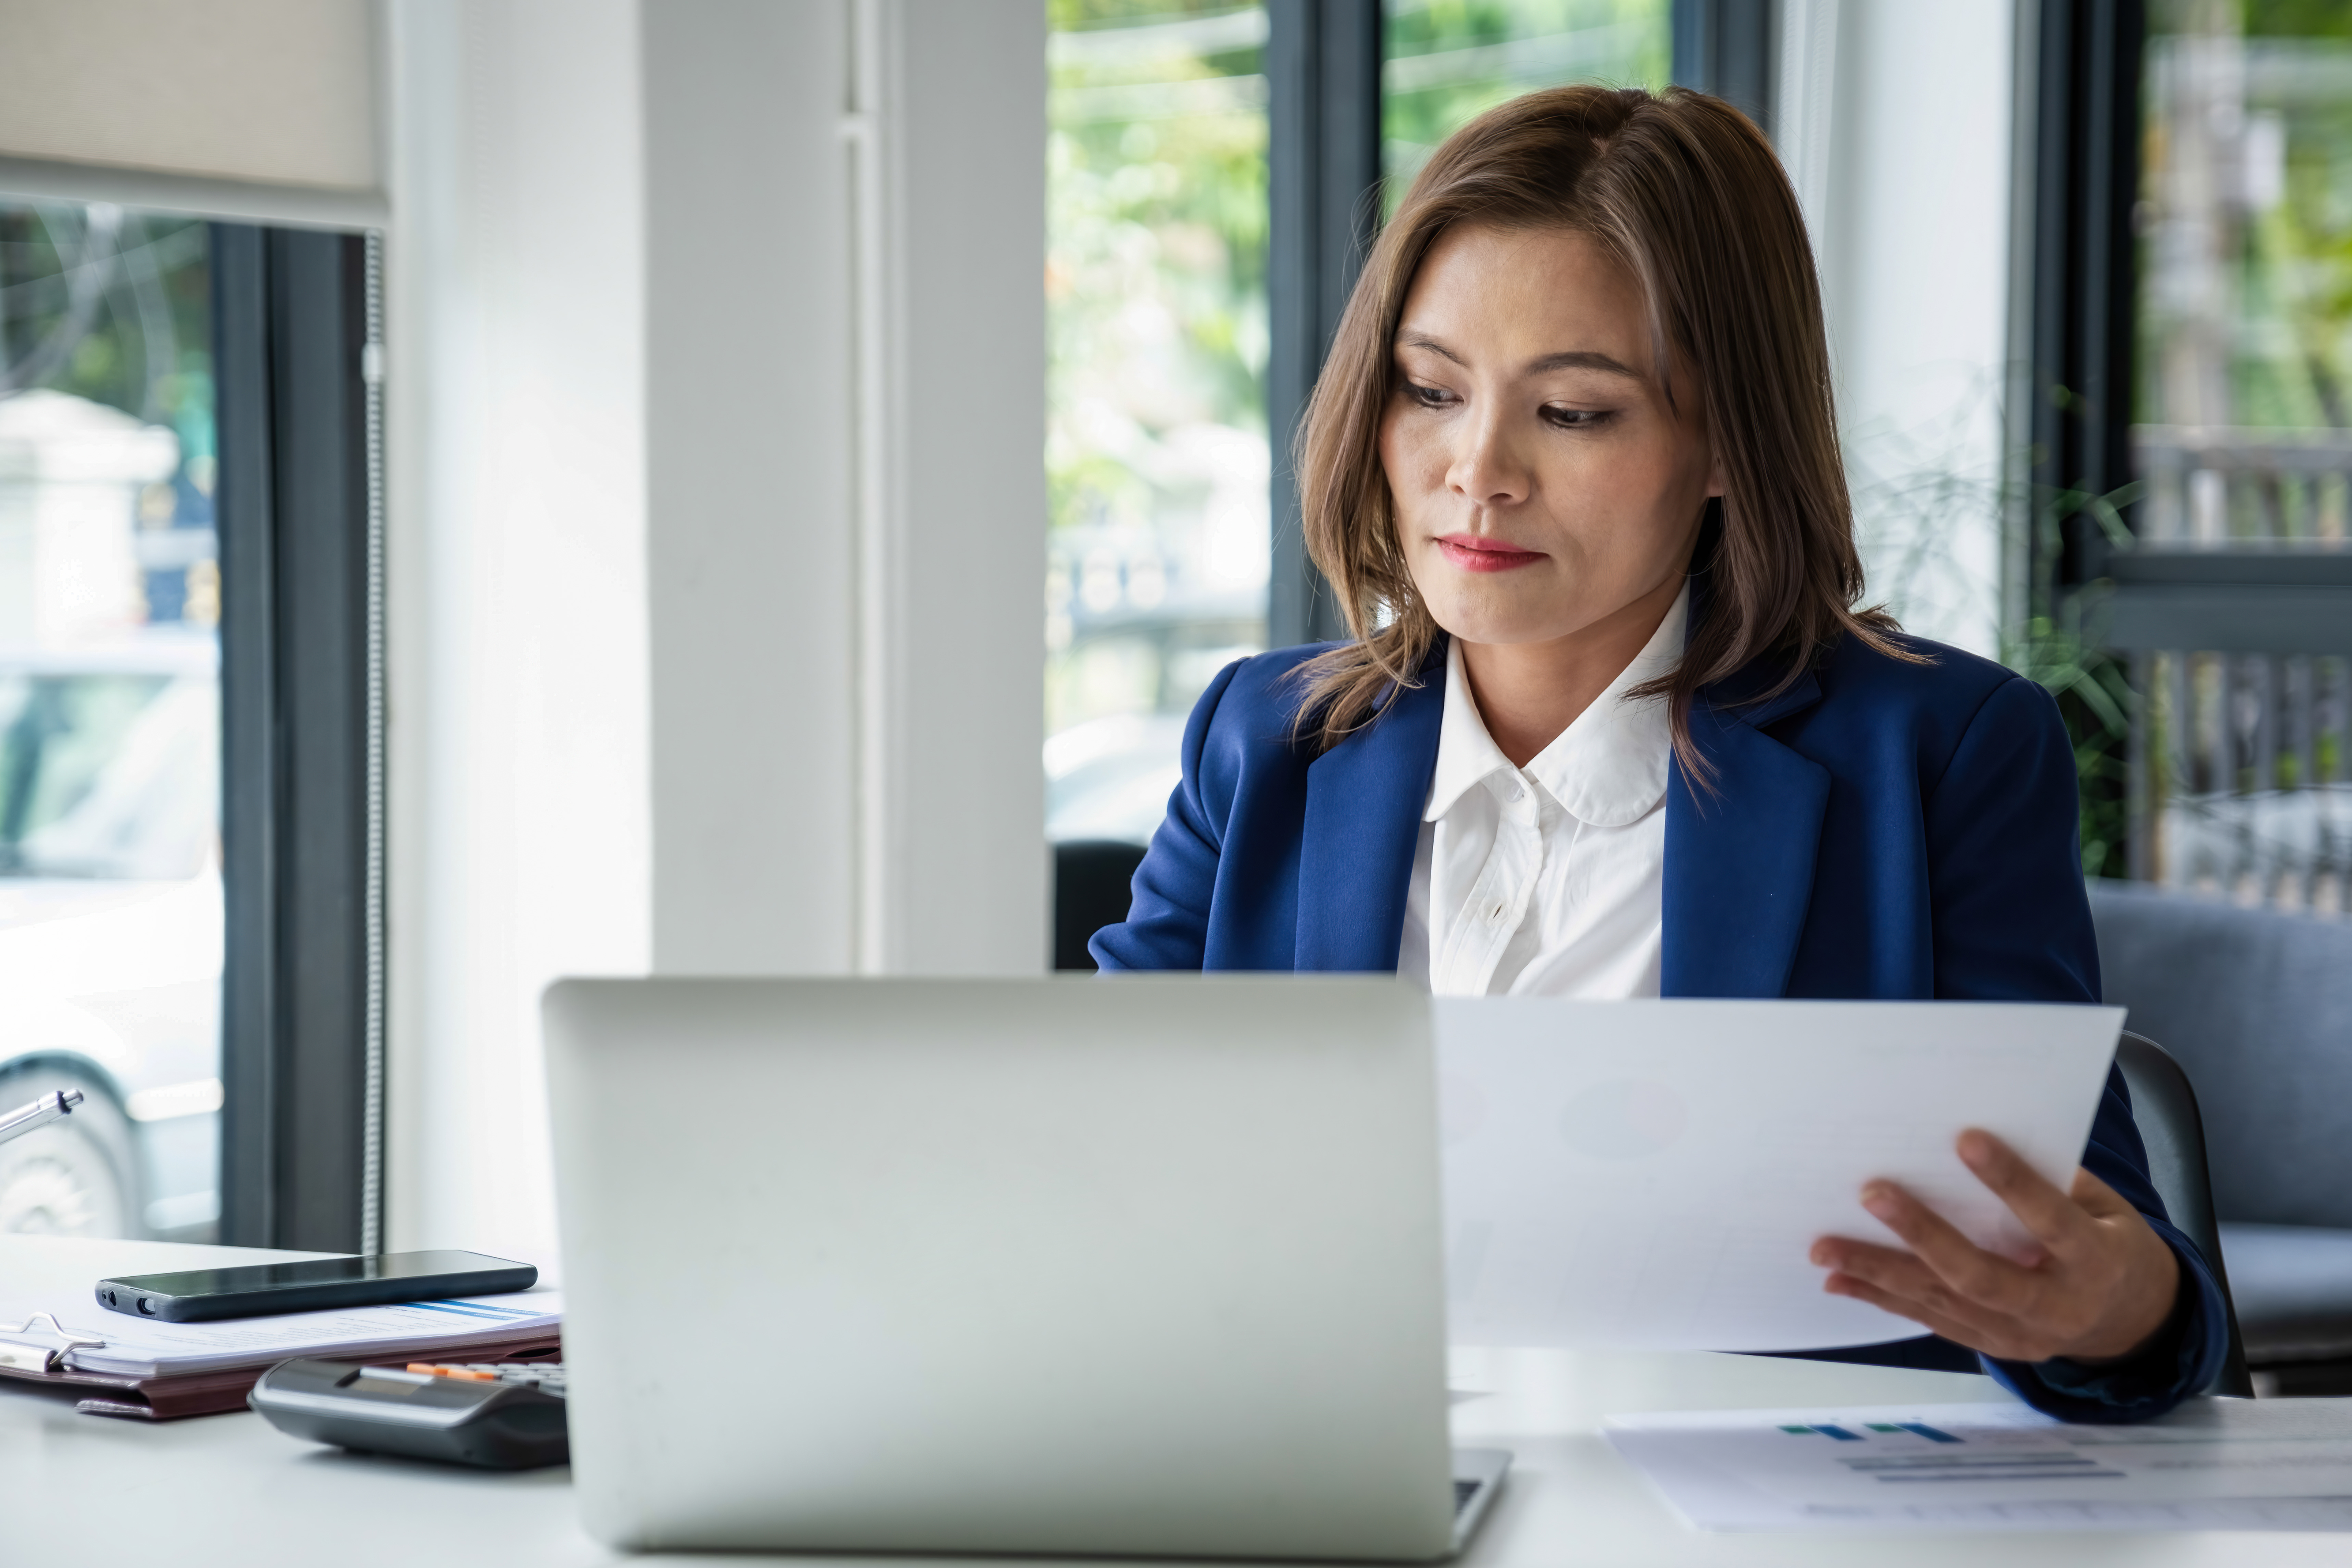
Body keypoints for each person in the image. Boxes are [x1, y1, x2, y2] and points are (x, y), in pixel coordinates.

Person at [1089, 84, 2227, 1422]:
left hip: (1759, 1515)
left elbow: (2105, 1263)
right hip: (1322, 1474)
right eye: (1431, 390)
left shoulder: (1937, 756)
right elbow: (1104, 1152)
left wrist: (2115, 1307)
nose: (1478, 470)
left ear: (1729, 443)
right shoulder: (1264, 741)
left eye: (1573, 411)